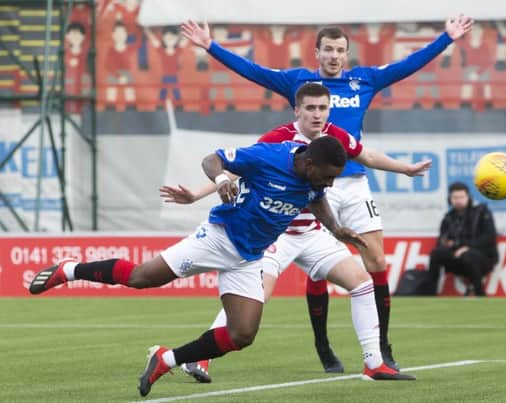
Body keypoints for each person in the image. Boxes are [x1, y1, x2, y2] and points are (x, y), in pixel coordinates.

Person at [181, 14, 473, 370]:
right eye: (328, 50)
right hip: (314, 184)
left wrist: (446, 38)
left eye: (340, 50)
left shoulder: (362, 80)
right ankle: (321, 345)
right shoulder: (300, 86)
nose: (334, 56)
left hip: (354, 183)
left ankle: (380, 348)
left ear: (347, 54)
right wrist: (211, 46)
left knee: (375, 261)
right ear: (316, 53)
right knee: (288, 275)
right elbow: (254, 72)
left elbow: (405, 68)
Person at [28, 136, 382, 397]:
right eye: (328, 175)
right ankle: (70, 270)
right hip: (218, 237)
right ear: (308, 164)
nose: (330, 183)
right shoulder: (266, 157)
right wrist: (222, 179)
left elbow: (317, 199)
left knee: (242, 335)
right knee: (141, 277)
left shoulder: (313, 180)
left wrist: (336, 229)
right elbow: (212, 159)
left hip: (250, 256)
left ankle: (167, 360)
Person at [161, 83, 428, 380]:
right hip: (277, 235)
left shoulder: (335, 137)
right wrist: (198, 194)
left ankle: (373, 363)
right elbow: (238, 167)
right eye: (311, 108)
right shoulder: (278, 139)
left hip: (313, 233)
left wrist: (405, 169)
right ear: (297, 110)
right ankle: (199, 359)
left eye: (323, 108)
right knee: (255, 297)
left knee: (362, 283)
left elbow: (367, 156)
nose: (317, 114)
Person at [423, 182, 498, 296]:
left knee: (468, 255)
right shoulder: (448, 218)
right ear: (450, 199)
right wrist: (447, 244)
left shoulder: (481, 212)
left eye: (462, 197)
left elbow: (489, 238)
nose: (458, 200)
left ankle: (479, 293)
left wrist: (466, 247)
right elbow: (441, 241)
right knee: (436, 253)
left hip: (482, 258)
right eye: (455, 197)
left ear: (468, 197)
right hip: (457, 257)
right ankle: (430, 294)